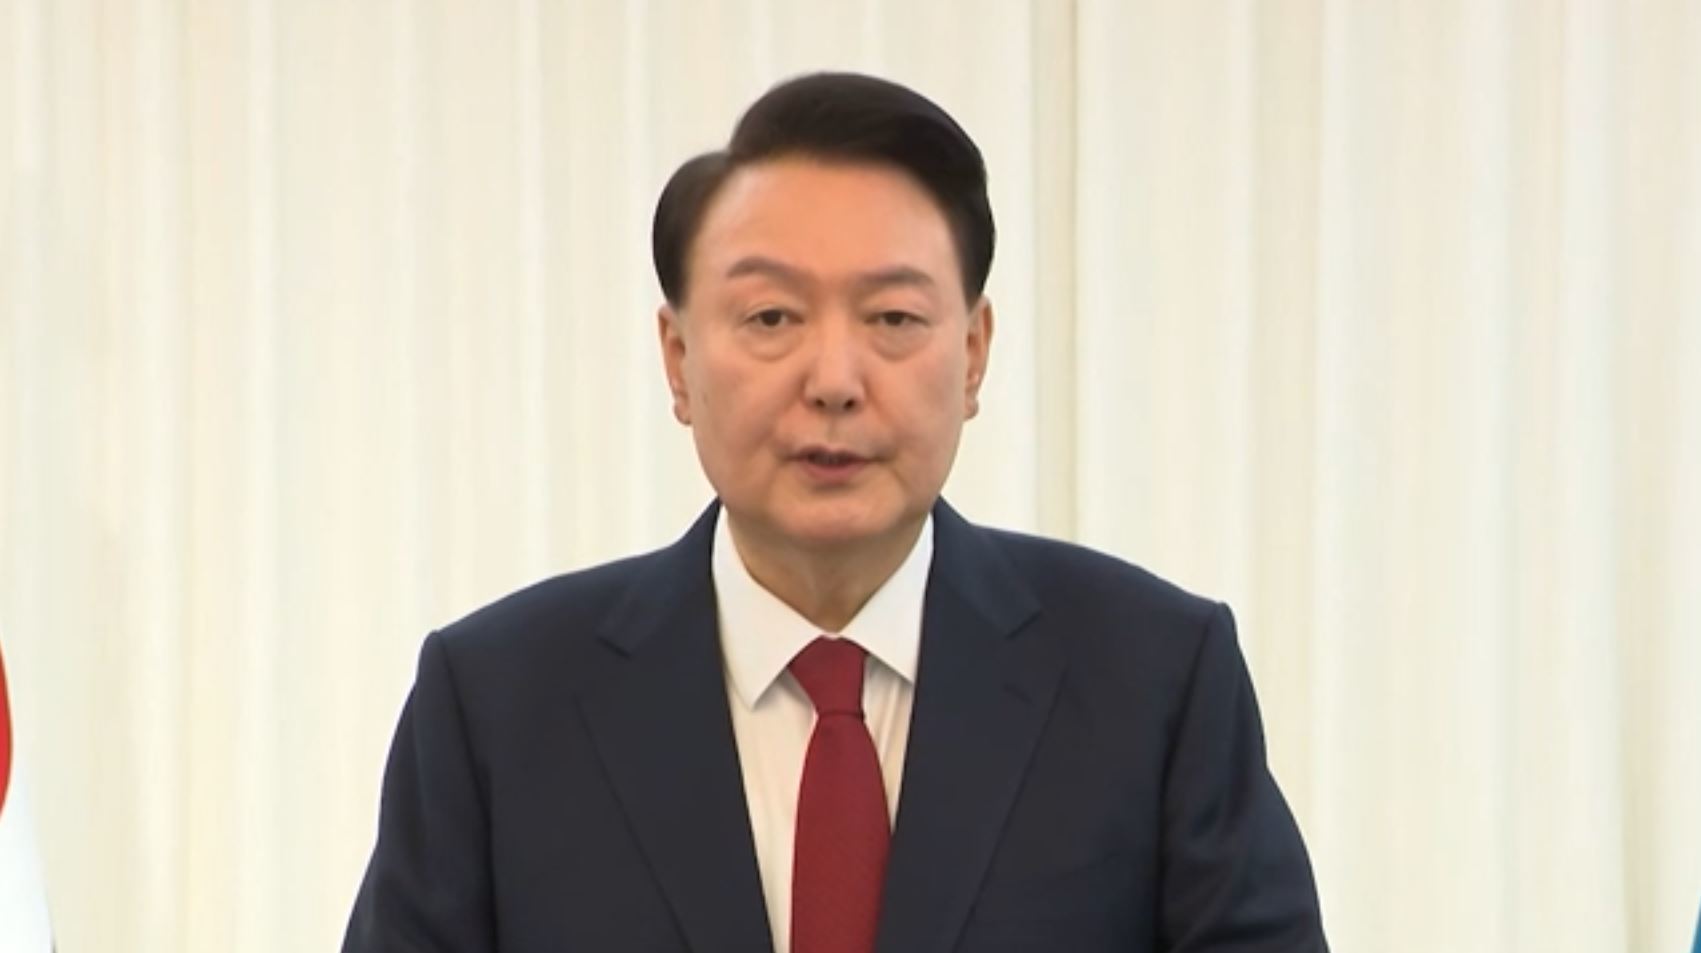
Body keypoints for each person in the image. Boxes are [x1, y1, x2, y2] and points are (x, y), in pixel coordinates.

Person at [343, 71, 1328, 953]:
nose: (834, 380)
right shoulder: (498, 704)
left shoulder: (1152, 680)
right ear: (679, 359)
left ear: (973, 354)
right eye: (771, 317)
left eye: (893, 318)